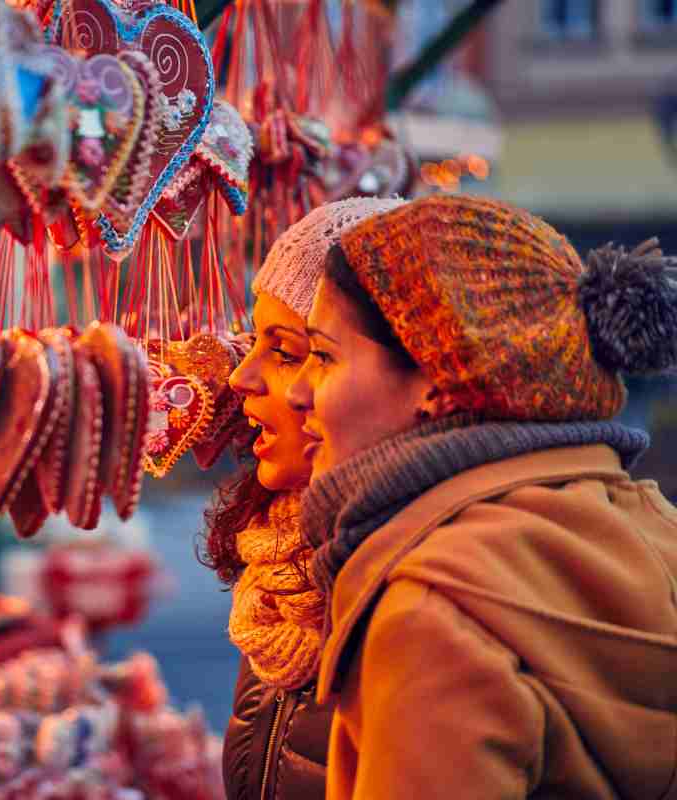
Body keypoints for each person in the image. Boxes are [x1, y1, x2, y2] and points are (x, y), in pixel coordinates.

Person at [285, 194, 677, 798]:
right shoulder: (654, 529)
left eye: (321, 356)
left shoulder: (433, 615)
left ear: (438, 381)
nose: (297, 392)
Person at [202, 197, 405, 800]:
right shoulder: (278, 577)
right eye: (255, 342)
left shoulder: (408, 592)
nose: (243, 378)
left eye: (289, 352)